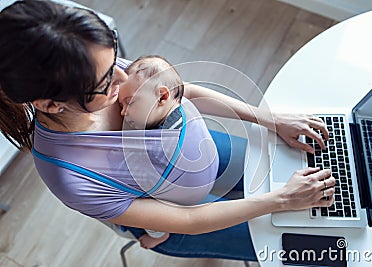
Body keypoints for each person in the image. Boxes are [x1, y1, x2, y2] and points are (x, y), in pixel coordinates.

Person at [0, 0, 335, 262]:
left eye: (115, 59)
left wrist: (270, 120)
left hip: (198, 149)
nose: (122, 76)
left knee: (307, 179)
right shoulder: (70, 176)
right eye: (105, 82)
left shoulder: (95, 67)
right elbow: (189, 221)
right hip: (183, 218)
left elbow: (180, 91)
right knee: (308, 247)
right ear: (52, 104)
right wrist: (281, 200)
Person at [118, 55, 219, 248]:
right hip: (210, 162)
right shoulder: (182, 105)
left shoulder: (158, 148)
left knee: (146, 202)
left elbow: (138, 176)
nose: (123, 112)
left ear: (163, 96)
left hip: (183, 197)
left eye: (129, 103)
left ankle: (159, 235)